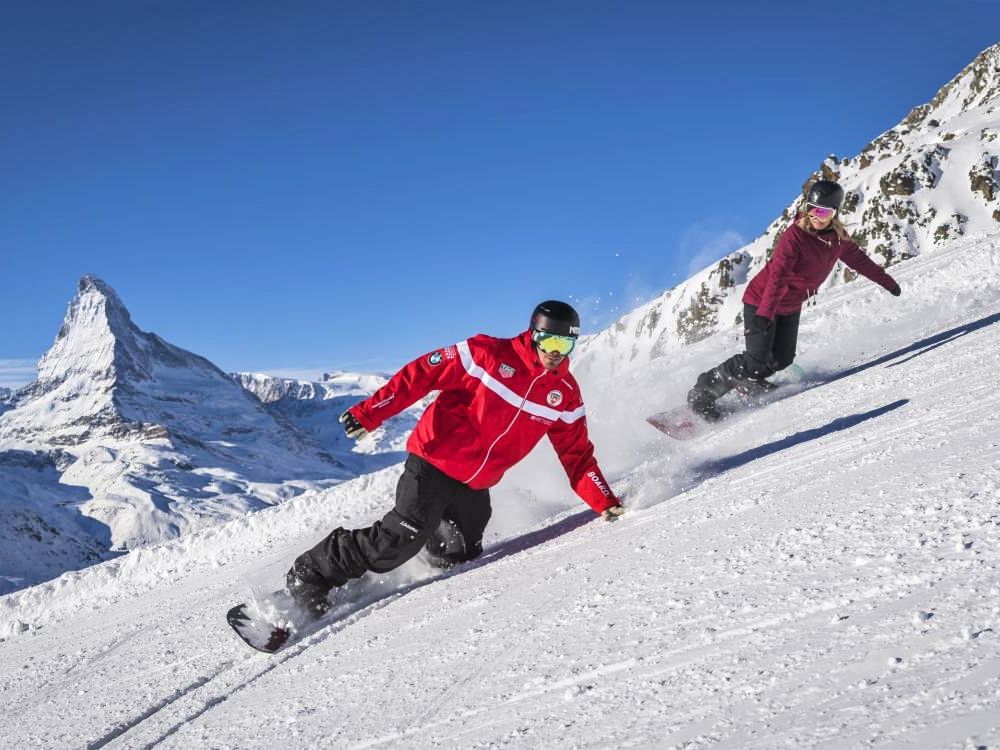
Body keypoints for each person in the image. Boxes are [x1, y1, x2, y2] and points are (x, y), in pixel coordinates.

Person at [286, 300, 624, 616]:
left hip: (475, 482)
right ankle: (312, 573)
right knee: (401, 536)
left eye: (564, 344)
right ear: (533, 334)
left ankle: (394, 570)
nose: (554, 351)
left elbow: (576, 454)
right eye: (548, 340)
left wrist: (604, 501)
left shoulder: (564, 394)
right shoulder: (487, 354)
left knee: (460, 552)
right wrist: (370, 412)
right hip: (434, 460)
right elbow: (422, 372)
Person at [687, 179, 902, 421]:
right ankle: (703, 392)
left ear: (835, 213)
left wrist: (888, 282)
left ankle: (750, 381)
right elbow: (777, 277)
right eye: (812, 209)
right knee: (755, 361)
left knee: (782, 359)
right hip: (763, 300)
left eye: (824, 212)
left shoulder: (839, 239)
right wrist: (764, 314)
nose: (816, 217)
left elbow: (860, 262)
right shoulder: (795, 237)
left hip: (789, 305)